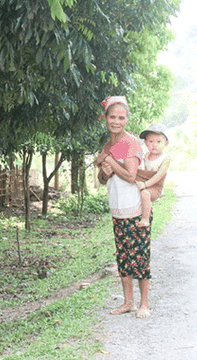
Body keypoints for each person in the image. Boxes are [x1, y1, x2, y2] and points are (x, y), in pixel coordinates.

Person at [96, 96, 152, 319]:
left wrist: (108, 162)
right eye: (112, 117)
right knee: (123, 259)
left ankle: (144, 304)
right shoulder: (108, 145)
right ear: (106, 118)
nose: (116, 121)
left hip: (136, 209)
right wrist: (104, 169)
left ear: (126, 120)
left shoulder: (130, 143)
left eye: (121, 117)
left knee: (140, 258)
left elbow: (130, 175)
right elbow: (102, 179)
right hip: (117, 210)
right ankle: (128, 302)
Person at [135, 123, 171, 227]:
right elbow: (142, 170)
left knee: (145, 194)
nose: (154, 144)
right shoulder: (146, 156)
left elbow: (158, 176)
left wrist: (145, 184)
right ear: (146, 143)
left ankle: (145, 219)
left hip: (155, 187)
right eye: (151, 141)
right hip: (145, 184)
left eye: (159, 141)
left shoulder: (165, 158)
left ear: (166, 143)